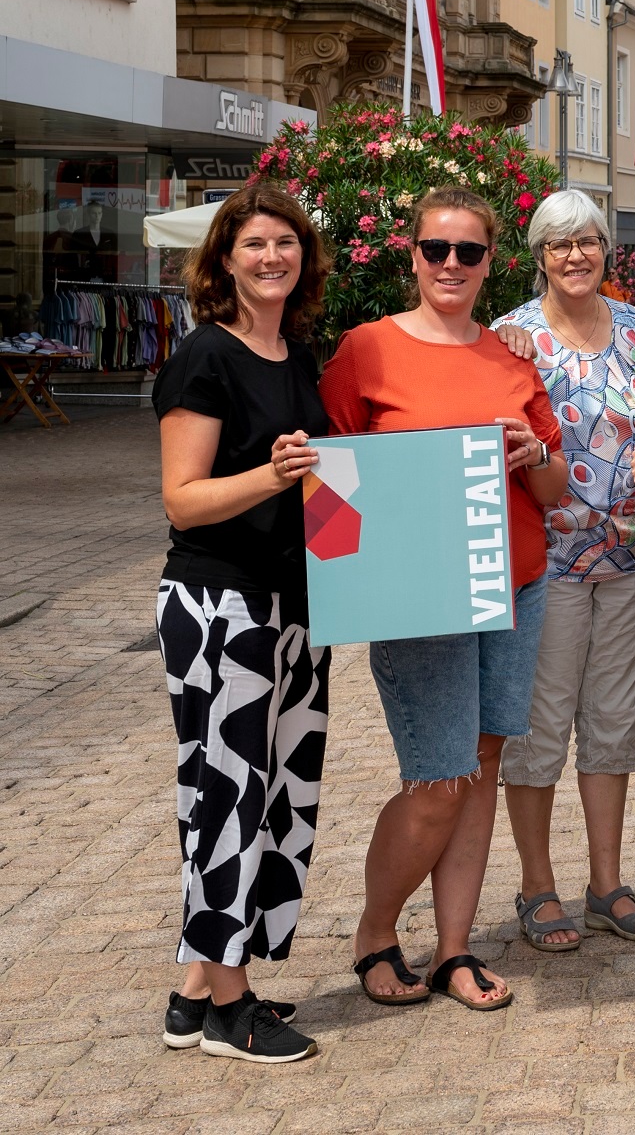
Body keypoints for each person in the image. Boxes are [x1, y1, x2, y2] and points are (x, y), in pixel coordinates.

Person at [320, 186, 567, 1013]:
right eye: (437, 249)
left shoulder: (511, 359)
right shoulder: (368, 350)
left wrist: (535, 450)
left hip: (517, 584)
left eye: (469, 251)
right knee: (440, 776)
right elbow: (335, 478)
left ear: (491, 262)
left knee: (483, 766)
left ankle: (456, 947)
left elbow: (557, 488)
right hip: (420, 592)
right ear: (413, 255)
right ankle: (376, 932)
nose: (452, 264)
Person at [152, 185, 331, 1064]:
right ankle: (233, 1009)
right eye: (256, 244)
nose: (273, 257)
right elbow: (183, 502)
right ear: (225, 257)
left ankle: (195, 993)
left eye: (287, 244)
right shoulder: (204, 359)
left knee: (274, 798)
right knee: (224, 798)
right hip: (219, 606)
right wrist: (271, 475)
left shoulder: (295, 351)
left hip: (293, 608)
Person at [492, 191, 635, 953]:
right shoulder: (510, 336)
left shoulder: (633, 328)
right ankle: (537, 885)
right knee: (540, 726)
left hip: (629, 557)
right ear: (539, 256)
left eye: (587, 242)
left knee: (613, 722)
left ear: (605, 250)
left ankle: (607, 883)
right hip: (550, 560)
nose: (574, 256)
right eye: (559, 245)